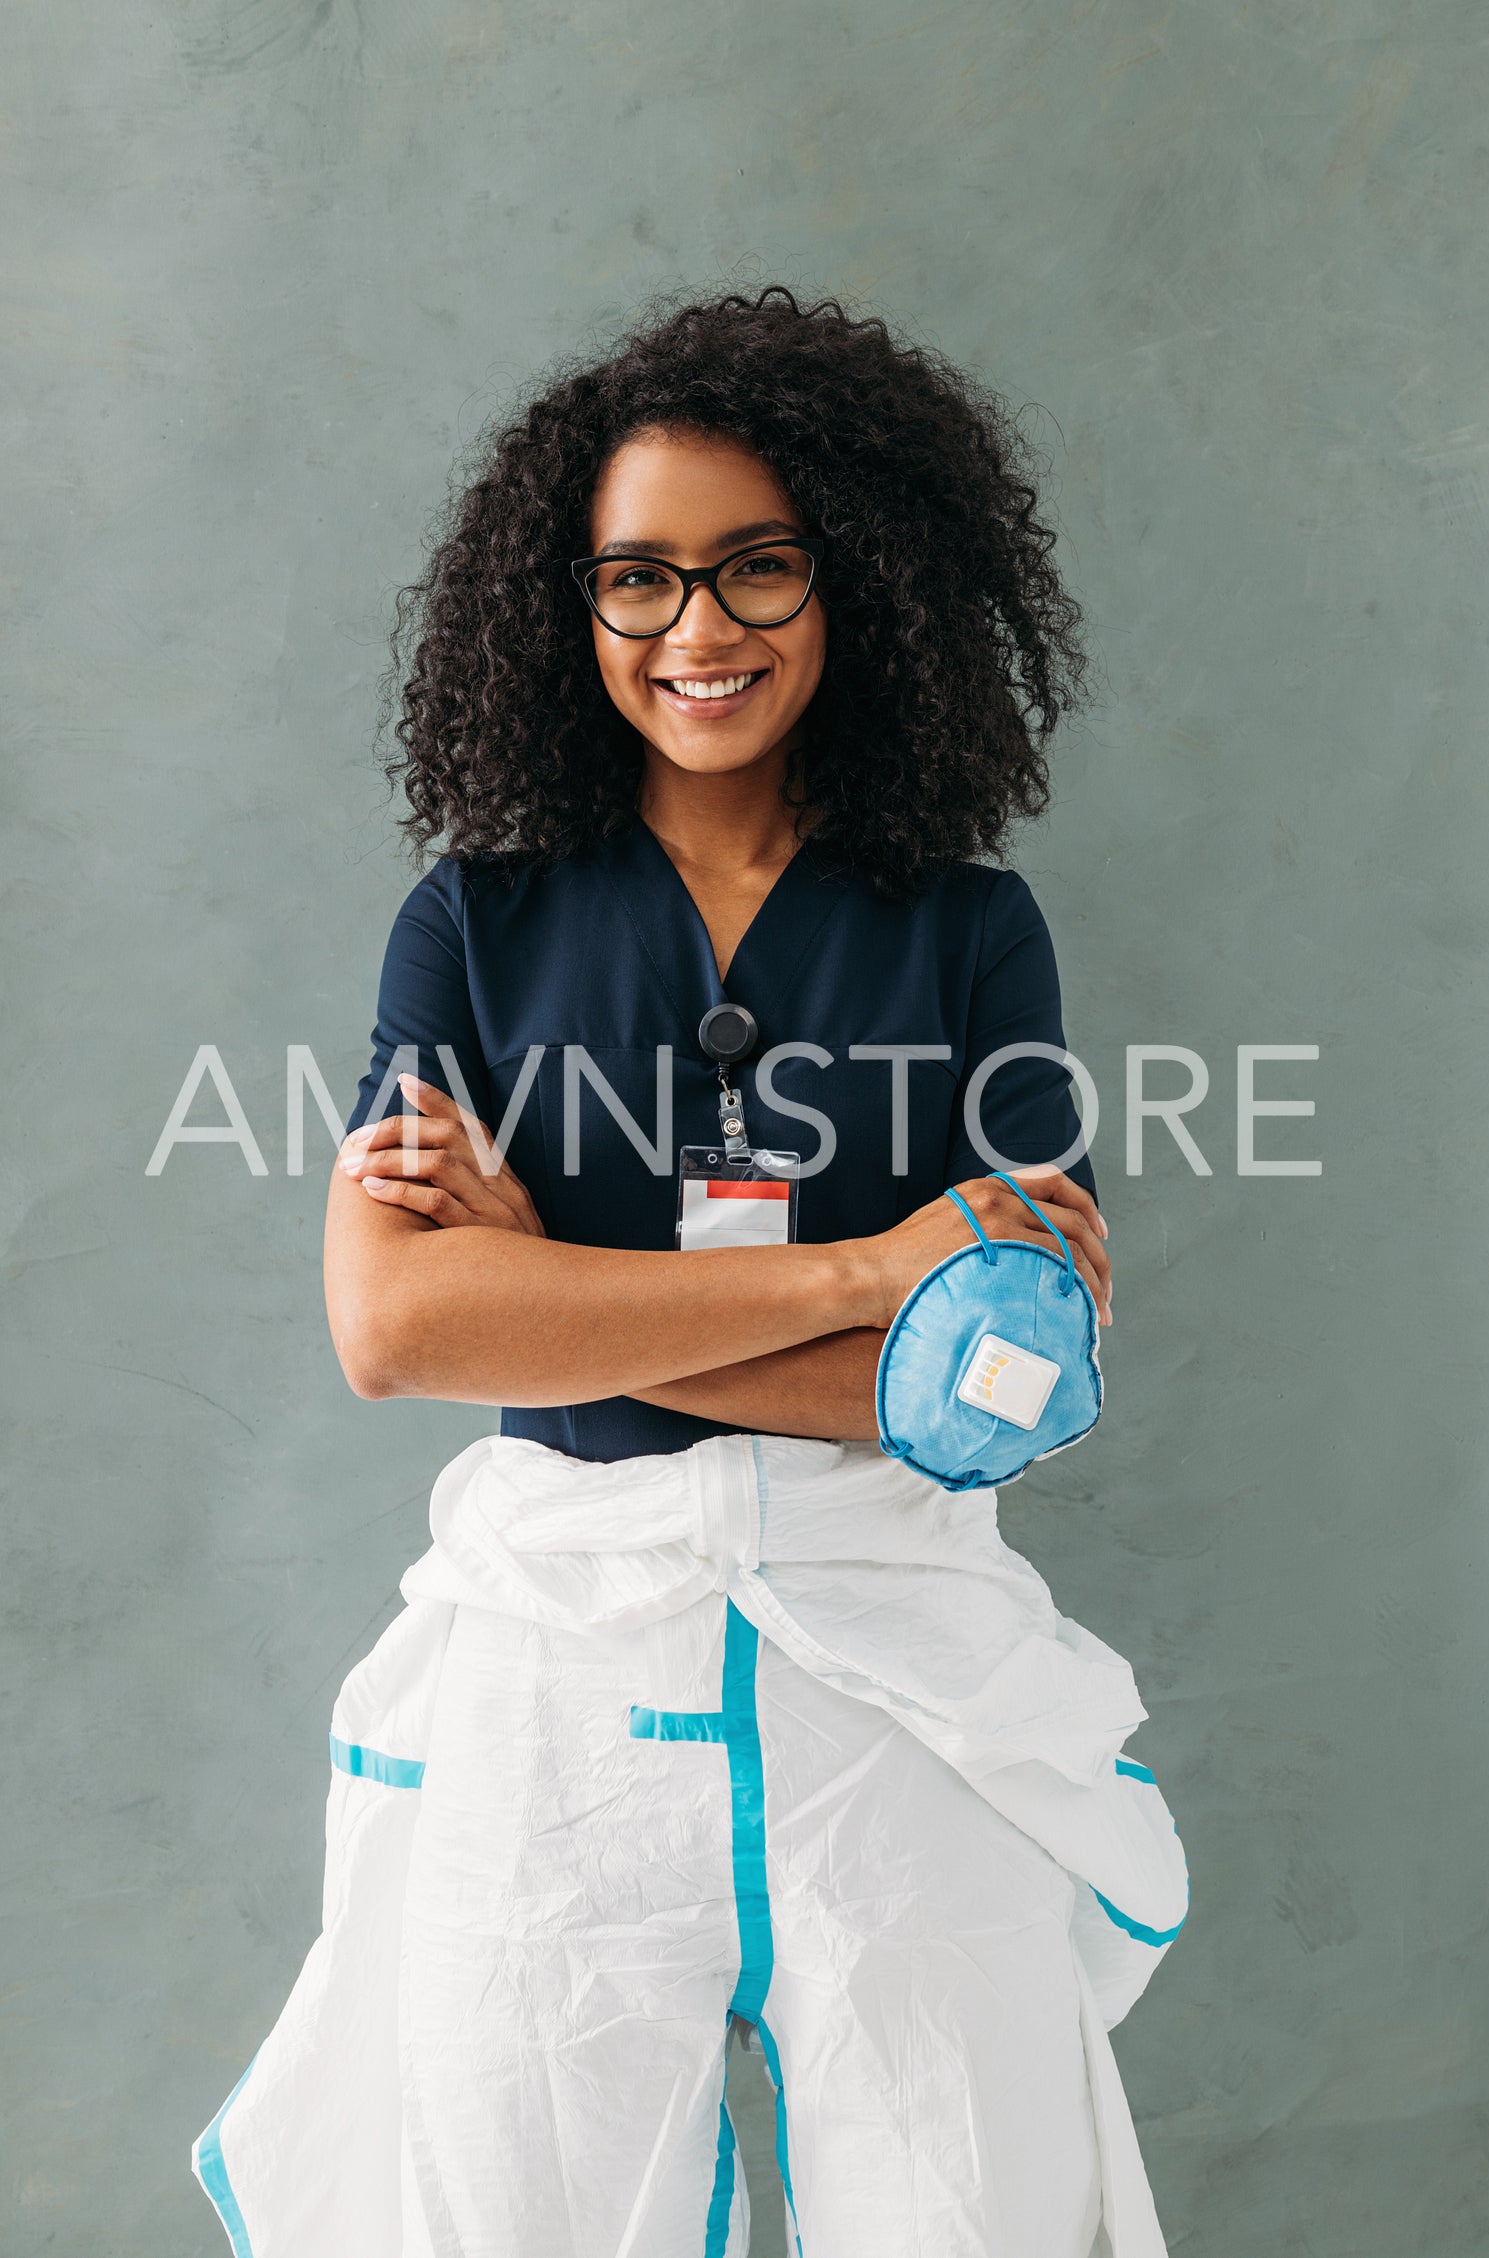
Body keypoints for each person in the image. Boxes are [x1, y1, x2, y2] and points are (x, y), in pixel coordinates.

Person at [191, 287, 1185, 2258]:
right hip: (552, 1692)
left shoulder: (968, 934)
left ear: (859, 582)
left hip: (904, 1698)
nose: (698, 629)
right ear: (566, 606)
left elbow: (1016, 1383)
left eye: (755, 567)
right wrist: (871, 1278)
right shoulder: (470, 922)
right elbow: (398, 1326)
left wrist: (554, 1290)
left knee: (973, 2211)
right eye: (637, 577)